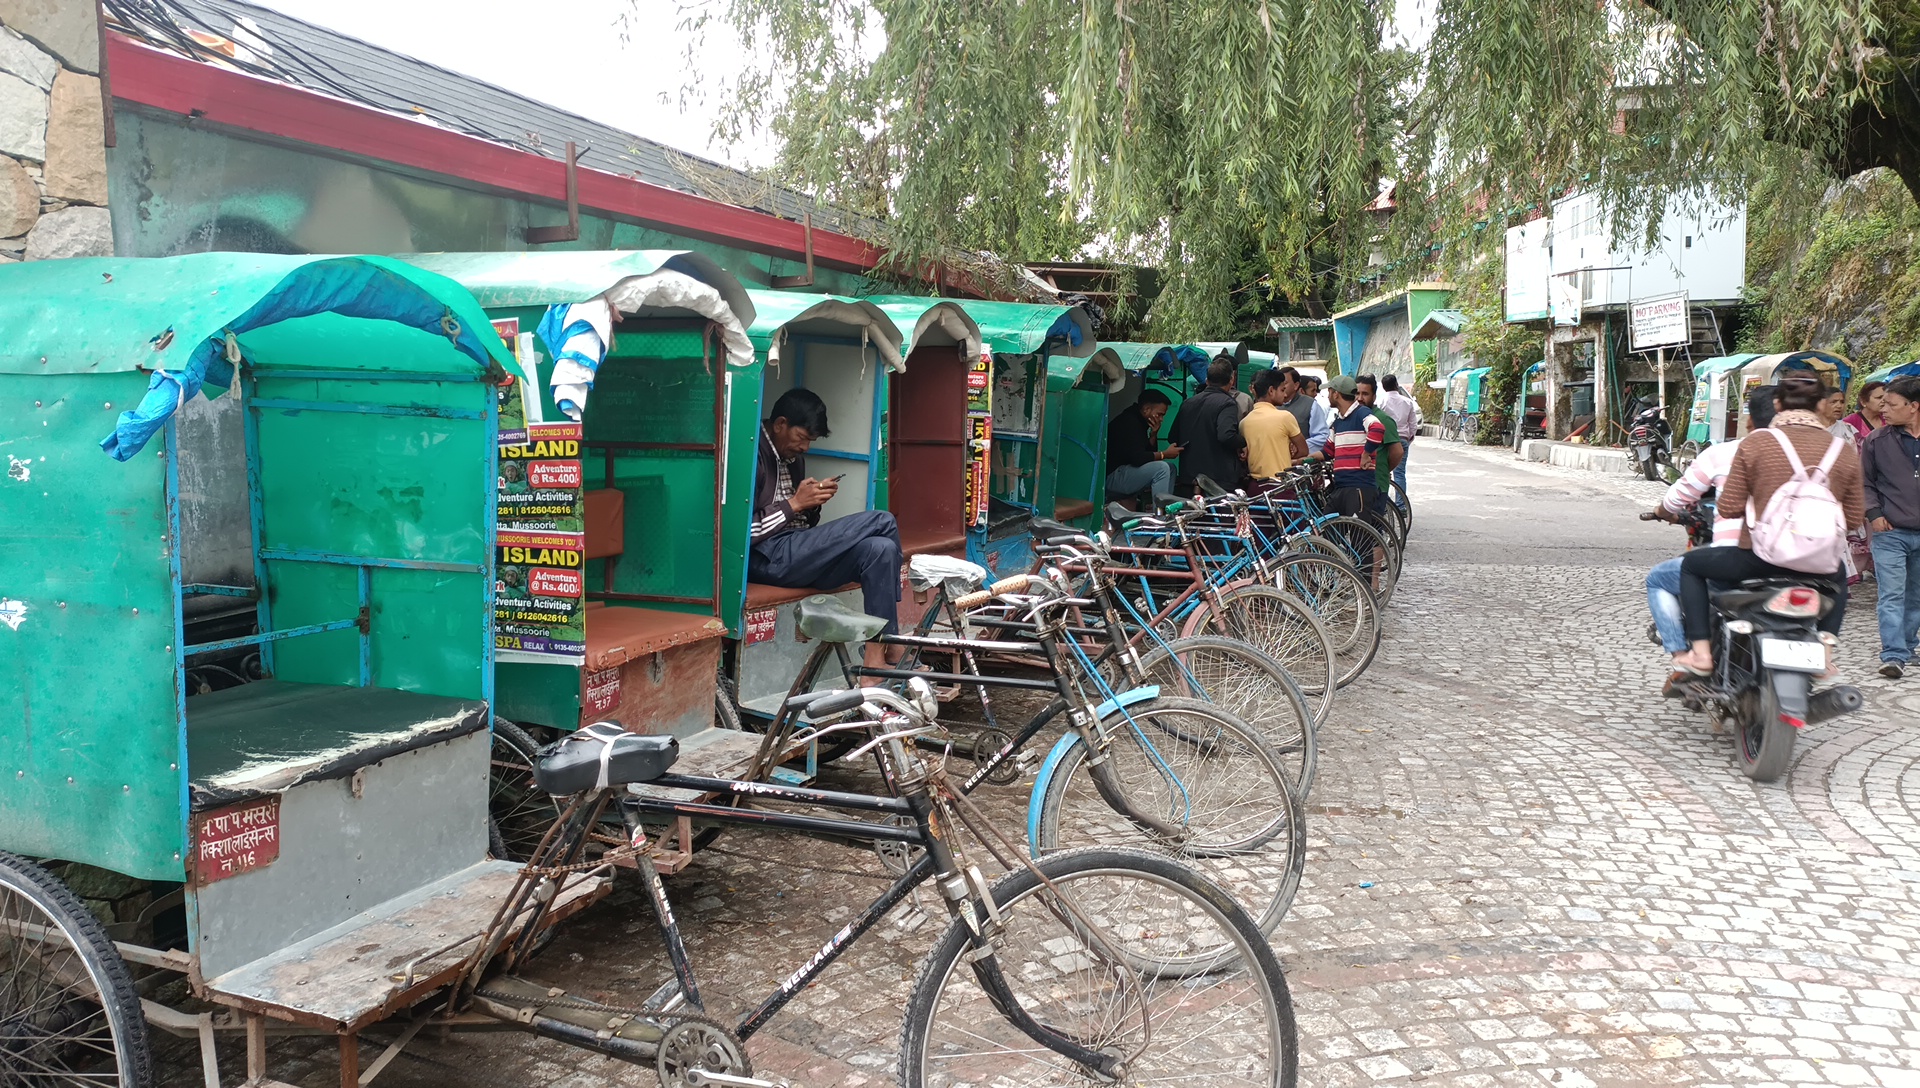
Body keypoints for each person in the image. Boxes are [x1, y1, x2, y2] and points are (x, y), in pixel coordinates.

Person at [1673, 377, 1863, 676]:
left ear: (1777, 404)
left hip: (1759, 560)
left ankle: (1701, 653)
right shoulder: (1843, 450)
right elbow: (1853, 519)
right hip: (1820, 566)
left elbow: (1729, 507)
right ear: (1822, 405)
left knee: (1691, 567)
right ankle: (1824, 654)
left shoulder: (1757, 443)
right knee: (1838, 575)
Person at [751, 388, 903, 678]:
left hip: (795, 552)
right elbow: (747, 534)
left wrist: (811, 504)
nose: (806, 447)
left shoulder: (793, 458)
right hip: (768, 557)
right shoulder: (753, 454)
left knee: (880, 549)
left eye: (810, 441)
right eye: (803, 438)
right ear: (780, 424)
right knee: (882, 520)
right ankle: (894, 645)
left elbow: (803, 525)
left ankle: (875, 657)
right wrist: (795, 502)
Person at [1645, 385, 1774, 694]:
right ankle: (1826, 654)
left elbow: (1679, 496)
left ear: (1749, 422)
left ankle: (1686, 656)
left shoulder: (1726, 453)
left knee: (1663, 578)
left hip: (1740, 557)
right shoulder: (1819, 451)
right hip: (1804, 562)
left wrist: (1663, 510)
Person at [1860, 376, 1920, 678]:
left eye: (1892, 404)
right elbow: (1865, 482)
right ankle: (1893, 654)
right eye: (1882, 403)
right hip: (1889, 531)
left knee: (1916, 595)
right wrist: (1873, 513)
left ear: (1914, 407)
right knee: (1892, 594)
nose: (1885, 409)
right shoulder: (1876, 440)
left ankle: (1909, 645)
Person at [1169, 355, 1246, 494]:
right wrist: (1243, 442)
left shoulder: (1188, 403)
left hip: (1189, 479)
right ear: (1232, 380)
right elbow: (1226, 436)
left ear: (1207, 380)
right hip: (1217, 482)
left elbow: (1173, 437)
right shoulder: (1227, 403)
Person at [1322, 374, 1385, 516]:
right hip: (1341, 485)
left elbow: (1377, 428)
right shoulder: (1338, 422)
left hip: (1359, 486)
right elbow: (1327, 451)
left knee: (1359, 534)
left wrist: (1366, 454)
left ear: (1336, 394)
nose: (1328, 396)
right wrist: (1301, 459)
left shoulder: (1361, 413)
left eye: (1329, 392)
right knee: (1328, 527)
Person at [1106, 389, 1181, 504]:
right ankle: (1160, 516)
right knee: (1161, 468)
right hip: (1112, 477)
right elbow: (1138, 458)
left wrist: (1153, 435)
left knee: (1170, 468)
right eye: (1160, 414)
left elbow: (1147, 456)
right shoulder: (1130, 422)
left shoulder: (1139, 421)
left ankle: (1167, 510)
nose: (1161, 419)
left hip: (1124, 472)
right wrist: (1164, 454)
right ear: (1146, 409)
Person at [1241, 368, 1308, 485]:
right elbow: (1303, 450)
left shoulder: (1244, 423)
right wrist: (1286, 457)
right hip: (1281, 485)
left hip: (1255, 486)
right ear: (1271, 391)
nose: (1285, 394)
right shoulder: (1285, 417)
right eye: (1282, 390)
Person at [1354, 374, 1406, 520]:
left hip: (1376, 485)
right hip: (1356, 485)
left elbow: (1397, 452)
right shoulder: (1353, 418)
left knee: (1373, 531)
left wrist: (1383, 469)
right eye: (1357, 393)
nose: (1360, 398)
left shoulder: (1382, 419)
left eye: (1365, 394)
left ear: (1374, 396)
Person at [1376, 374, 1421, 506]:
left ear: (1384, 388)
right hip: (1402, 439)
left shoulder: (1381, 402)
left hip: (1385, 441)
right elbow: (1413, 425)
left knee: (1383, 471)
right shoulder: (1407, 402)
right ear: (1396, 384)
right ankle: (1401, 506)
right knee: (1400, 473)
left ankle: (1385, 504)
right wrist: (1408, 439)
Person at [1841, 380, 1887, 446]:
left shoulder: (1889, 419)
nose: (1883, 401)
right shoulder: (1849, 423)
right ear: (1863, 402)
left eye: (1885, 398)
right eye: (1879, 398)